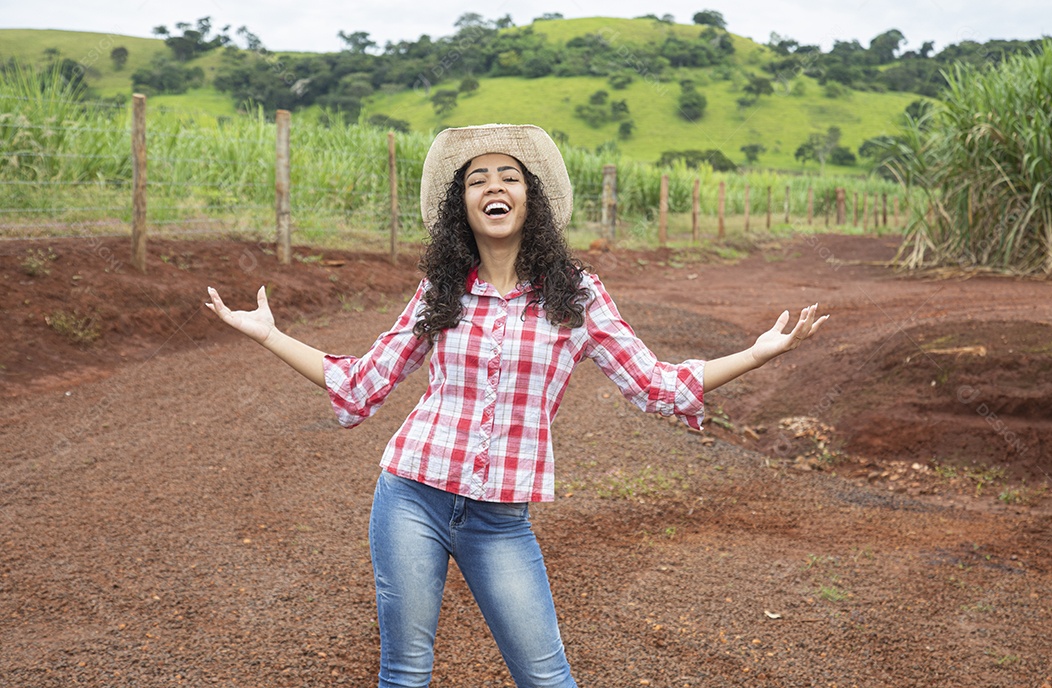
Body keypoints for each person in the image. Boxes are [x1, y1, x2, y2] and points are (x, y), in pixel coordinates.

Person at [205, 123, 828, 688]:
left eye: (509, 177)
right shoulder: (440, 289)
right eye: (477, 179)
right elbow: (362, 383)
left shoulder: (577, 296)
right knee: (404, 671)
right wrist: (269, 335)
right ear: (462, 206)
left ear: (531, 199)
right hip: (411, 497)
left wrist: (756, 353)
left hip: (500, 520)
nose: (494, 187)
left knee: (546, 677)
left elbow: (656, 386)